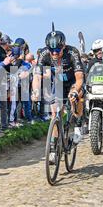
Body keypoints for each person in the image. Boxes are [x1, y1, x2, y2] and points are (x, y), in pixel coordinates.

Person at [33, 29, 85, 163]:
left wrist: (74, 91)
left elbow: (79, 78)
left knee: (77, 96)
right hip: (59, 82)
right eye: (52, 50)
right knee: (55, 113)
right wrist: (36, 91)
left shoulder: (72, 52)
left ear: (64, 46)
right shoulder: (44, 54)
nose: (55, 53)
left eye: (58, 50)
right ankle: (53, 148)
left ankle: (79, 125)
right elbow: (37, 77)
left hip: (73, 80)